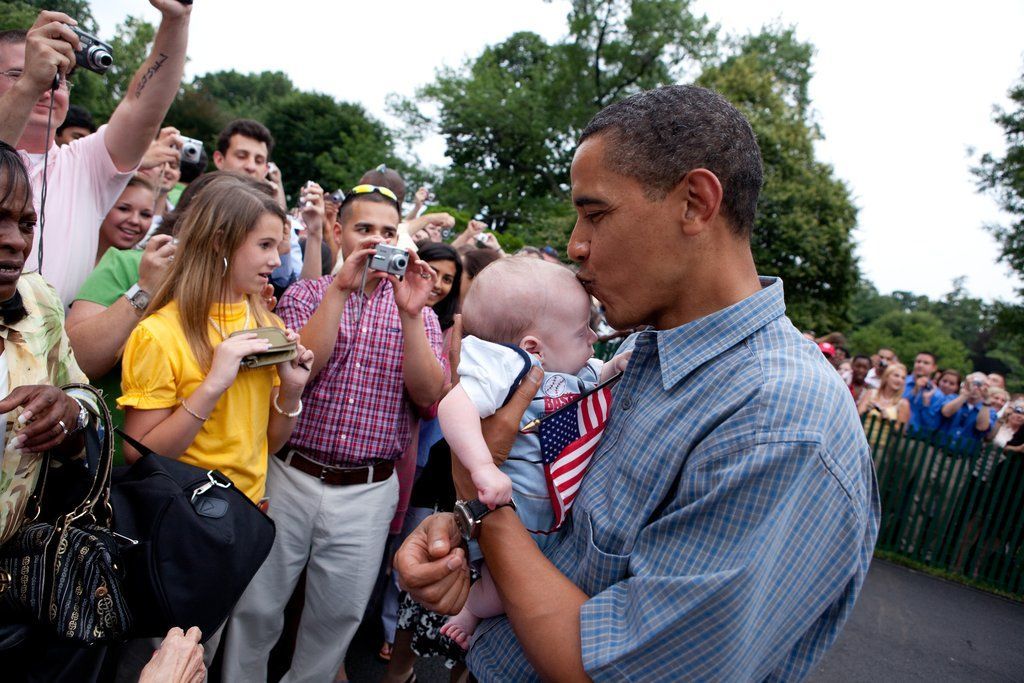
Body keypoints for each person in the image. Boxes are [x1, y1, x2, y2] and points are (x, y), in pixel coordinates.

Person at [396, 85, 878, 681]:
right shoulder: (643, 348)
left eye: (596, 213)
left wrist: (481, 501)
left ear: (696, 204)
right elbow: (560, 524)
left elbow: (607, 667)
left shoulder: (776, 421)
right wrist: (460, 531)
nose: (575, 243)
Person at [223, 183, 444, 682]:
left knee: (336, 617)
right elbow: (301, 367)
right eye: (365, 229)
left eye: (388, 232)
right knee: (256, 606)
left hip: (367, 489)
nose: (376, 241)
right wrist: (340, 290)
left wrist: (411, 315)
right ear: (339, 232)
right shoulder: (304, 294)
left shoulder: (421, 313)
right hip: (291, 473)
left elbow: (429, 394)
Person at [115, 175, 314, 676]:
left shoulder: (267, 327)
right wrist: (213, 383)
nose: (276, 260)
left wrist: (291, 390)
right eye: (265, 245)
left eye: (280, 246)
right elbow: (139, 453)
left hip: (240, 522)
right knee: (157, 660)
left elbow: (268, 442)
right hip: (179, 527)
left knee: (202, 657)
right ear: (222, 244)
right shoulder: (161, 332)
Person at [436, 256, 629, 650]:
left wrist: (616, 368)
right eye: (582, 332)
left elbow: (595, 382)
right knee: (495, 591)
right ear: (532, 346)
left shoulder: (575, 369)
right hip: (515, 507)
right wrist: (482, 467)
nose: (594, 338)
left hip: (553, 516)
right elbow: (454, 406)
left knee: (528, 581)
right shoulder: (510, 365)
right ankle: (471, 611)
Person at [0, 140, 109, 682]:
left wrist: (68, 414)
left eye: (25, 223)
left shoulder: (38, 299)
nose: (14, 242)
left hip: (15, 577)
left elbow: (85, 396)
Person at [0, 3, 191, 306]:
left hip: (51, 351)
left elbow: (143, 107)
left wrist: (177, 19)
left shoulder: (85, 165)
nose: (47, 84)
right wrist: (30, 83)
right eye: (18, 72)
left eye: (58, 76)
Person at [95, 176, 156, 263]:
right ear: (102, 207)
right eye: (123, 209)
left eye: (145, 214)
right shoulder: (71, 250)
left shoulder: (149, 268)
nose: (135, 221)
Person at [940, 372, 996, 449]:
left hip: (964, 457)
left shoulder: (989, 411)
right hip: (940, 449)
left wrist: (986, 401)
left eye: (980, 384)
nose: (976, 387)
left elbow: (981, 427)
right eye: (973, 383)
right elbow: (946, 413)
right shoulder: (952, 398)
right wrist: (965, 393)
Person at [903, 351, 946, 434]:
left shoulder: (938, 395)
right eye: (918, 361)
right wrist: (914, 391)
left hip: (917, 439)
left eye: (926, 363)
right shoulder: (902, 382)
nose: (920, 365)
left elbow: (932, 425)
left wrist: (926, 404)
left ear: (934, 368)